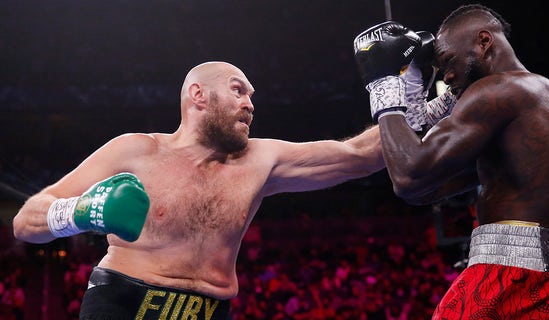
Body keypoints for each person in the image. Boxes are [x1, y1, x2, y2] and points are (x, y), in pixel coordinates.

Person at [12, 61, 389, 319]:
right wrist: (84, 210)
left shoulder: (262, 159)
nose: (250, 104)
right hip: (123, 304)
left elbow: (360, 154)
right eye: (239, 90)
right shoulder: (136, 150)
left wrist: (421, 100)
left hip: (210, 311)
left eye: (252, 97)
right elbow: (26, 221)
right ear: (198, 95)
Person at [353, 4, 549, 319]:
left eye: (447, 60)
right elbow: (422, 188)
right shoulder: (538, 106)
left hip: (513, 278)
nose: (445, 75)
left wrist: (384, 83)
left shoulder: (497, 90)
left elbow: (408, 174)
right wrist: (415, 85)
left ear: (484, 42)